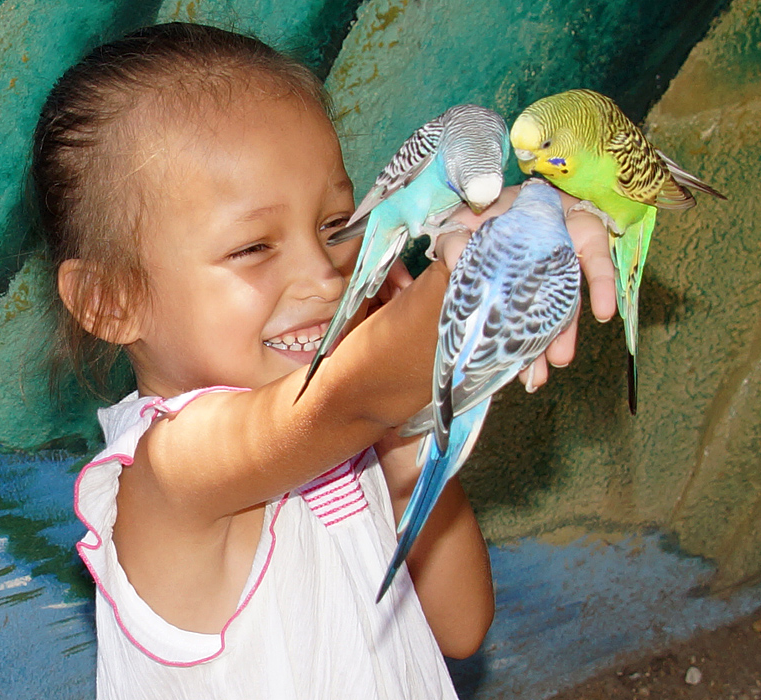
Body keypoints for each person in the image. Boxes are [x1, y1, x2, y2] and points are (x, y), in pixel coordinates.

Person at [32, 22, 615, 700]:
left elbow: (458, 629)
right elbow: (345, 399)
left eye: (334, 227)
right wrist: (492, 254)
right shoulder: (171, 475)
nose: (322, 275)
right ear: (108, 301)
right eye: (252, 248)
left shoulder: (351, 436)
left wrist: (403, 453)